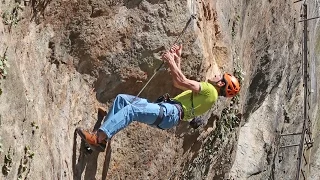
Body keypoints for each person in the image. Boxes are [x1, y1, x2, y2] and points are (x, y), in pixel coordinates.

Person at [76, 44, 240, 152]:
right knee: (122, 100)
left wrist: (170, 61)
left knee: (132, 110)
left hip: (170, 112)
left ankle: (99, 137)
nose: (217, 74)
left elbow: (182, 80)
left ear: (221, 84)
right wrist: (177, 59)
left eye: (220, 76)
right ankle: (103, 141)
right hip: (169, 114)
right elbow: (178, 83)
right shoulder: (209, 95)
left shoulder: (210, 90)